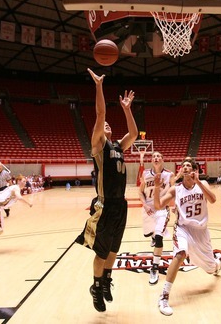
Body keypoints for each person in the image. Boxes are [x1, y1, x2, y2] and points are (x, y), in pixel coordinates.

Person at [74, 69, 138, 313]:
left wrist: (127, 109)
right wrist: (99, 86)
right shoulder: (99, 145)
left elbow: (133, 133)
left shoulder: (120, 146)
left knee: (113, 249)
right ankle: (96, 287)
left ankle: (107, 280)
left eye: (110, 125)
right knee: (101, 251)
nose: (107, 125)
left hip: (120, 204)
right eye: (104, 125)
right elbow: (100, 113)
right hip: (104, 204)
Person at [154, 158, 221, 316]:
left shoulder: (202, 184)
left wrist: (198, 182)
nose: (185, 167)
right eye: (183, 165)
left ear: (194, 170)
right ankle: (163, 297)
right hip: (183, 228)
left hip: (201, 232)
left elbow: (213, 200)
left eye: (188, 166)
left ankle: (216, 264)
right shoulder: (176, 189)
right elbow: (158, 205)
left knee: (210, 269)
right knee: (180, 254)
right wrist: (157, 188)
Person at [138, 151, 175, 285]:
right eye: (154, 156)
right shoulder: (145, 174)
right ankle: (154, 236)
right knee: (151, 234)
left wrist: (174, 205)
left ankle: (155, 267)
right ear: (152, 160)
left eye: (158, 156)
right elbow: (140, 192)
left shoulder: (169, 175)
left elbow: (175, 191)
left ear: (162, 159)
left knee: (159, 237)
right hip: (148, 210)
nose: (156, 158)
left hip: (162, 210)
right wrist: (144, 205)